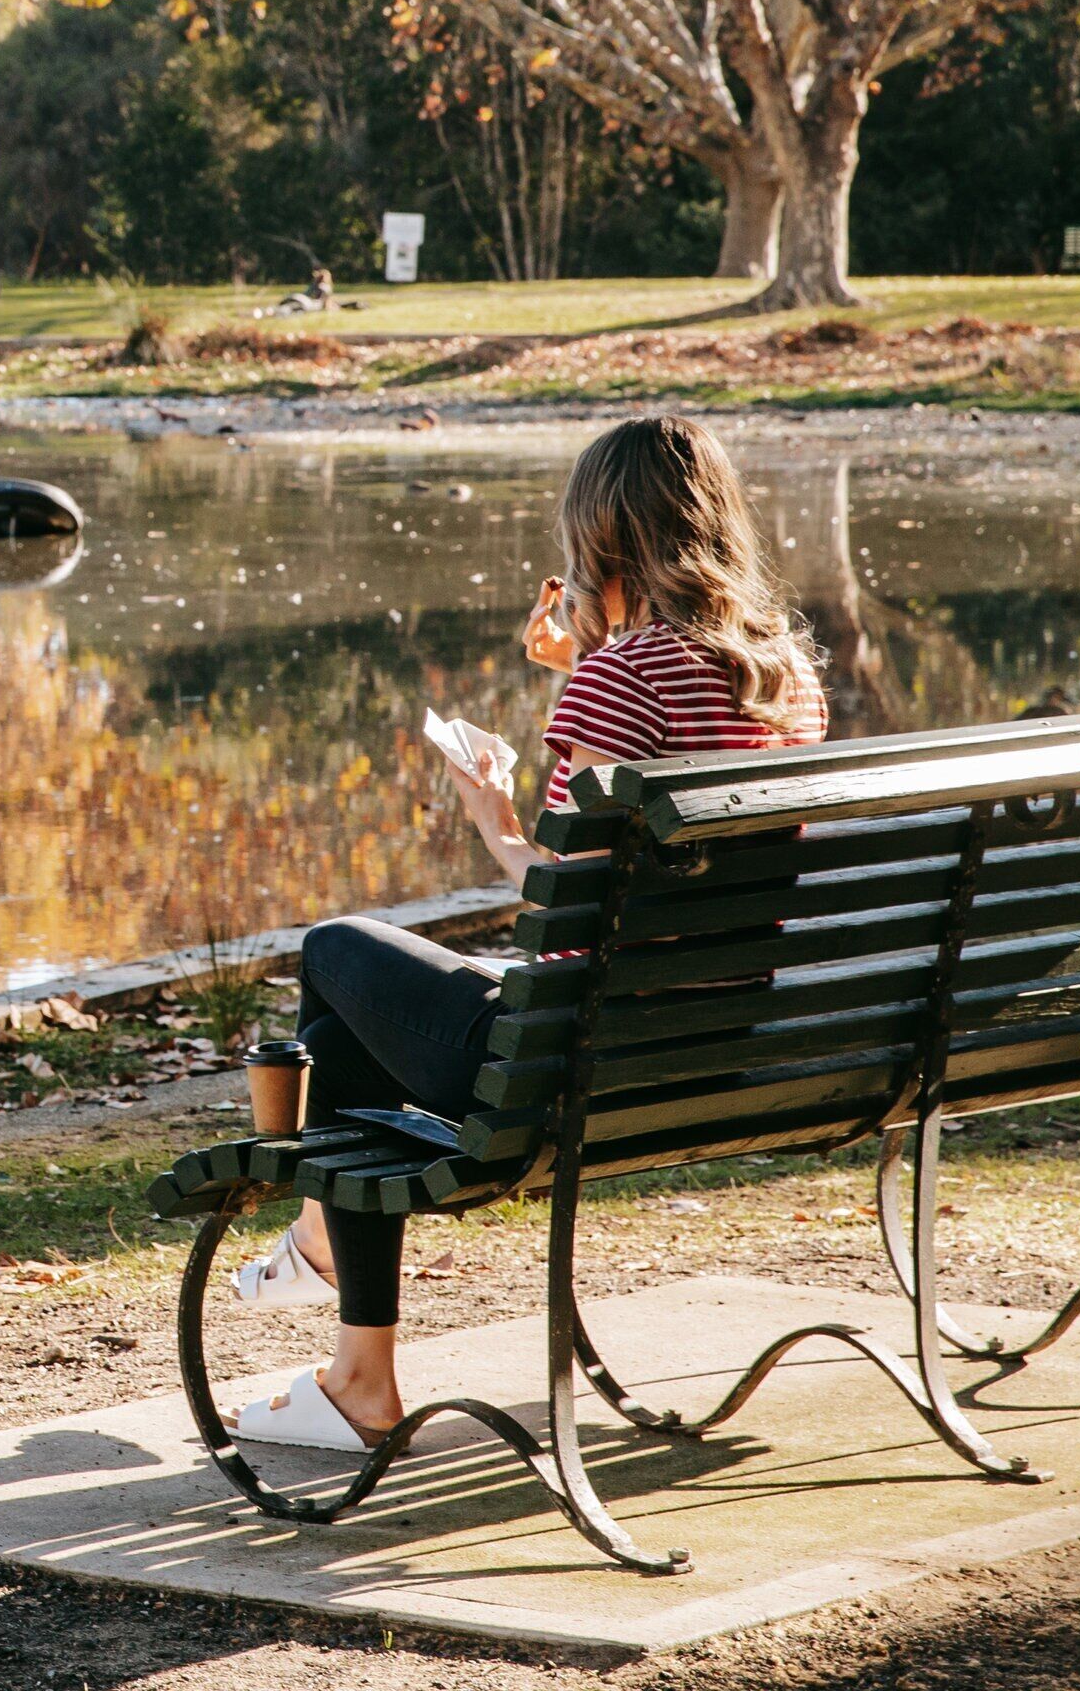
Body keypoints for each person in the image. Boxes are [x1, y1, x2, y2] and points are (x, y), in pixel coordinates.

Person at [219, 416, 828, 1450]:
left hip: (571, 1061)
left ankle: (348, 1322)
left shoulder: (619, 677)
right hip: (713, 1046)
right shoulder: (785, 680)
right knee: (356, 1020)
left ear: (602, 540)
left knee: (333, 956)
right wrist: (593, 661)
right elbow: (633, 859)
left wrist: (495, 814)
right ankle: (330, 1282)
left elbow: (560, 894)